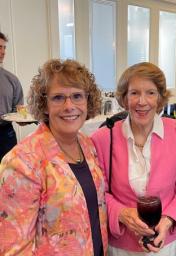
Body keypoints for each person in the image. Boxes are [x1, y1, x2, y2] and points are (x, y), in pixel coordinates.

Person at [0, 59, 108, 255]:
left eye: (77, 96)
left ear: (88, 101)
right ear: (44, 104)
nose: (69, 106)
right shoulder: (21, 162)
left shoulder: (87, 144)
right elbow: (14, 247)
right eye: (58, 98)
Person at [91, 62, 176, 255]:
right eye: (134, 93)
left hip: (165, 244)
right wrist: (122, 214)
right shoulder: (103, 138)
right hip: (121, 244)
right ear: (124, 98)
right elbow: (99, 193)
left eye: (150, 92)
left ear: (160, 98)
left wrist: (168, 220)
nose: (142, 101)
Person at [0, 31, 24, 161]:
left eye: (4, 47)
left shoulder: (12, 80)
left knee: (9, 174)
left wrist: (23, 118)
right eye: (0, 47)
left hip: (5, 134)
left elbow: (19, 109)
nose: (3, 52)